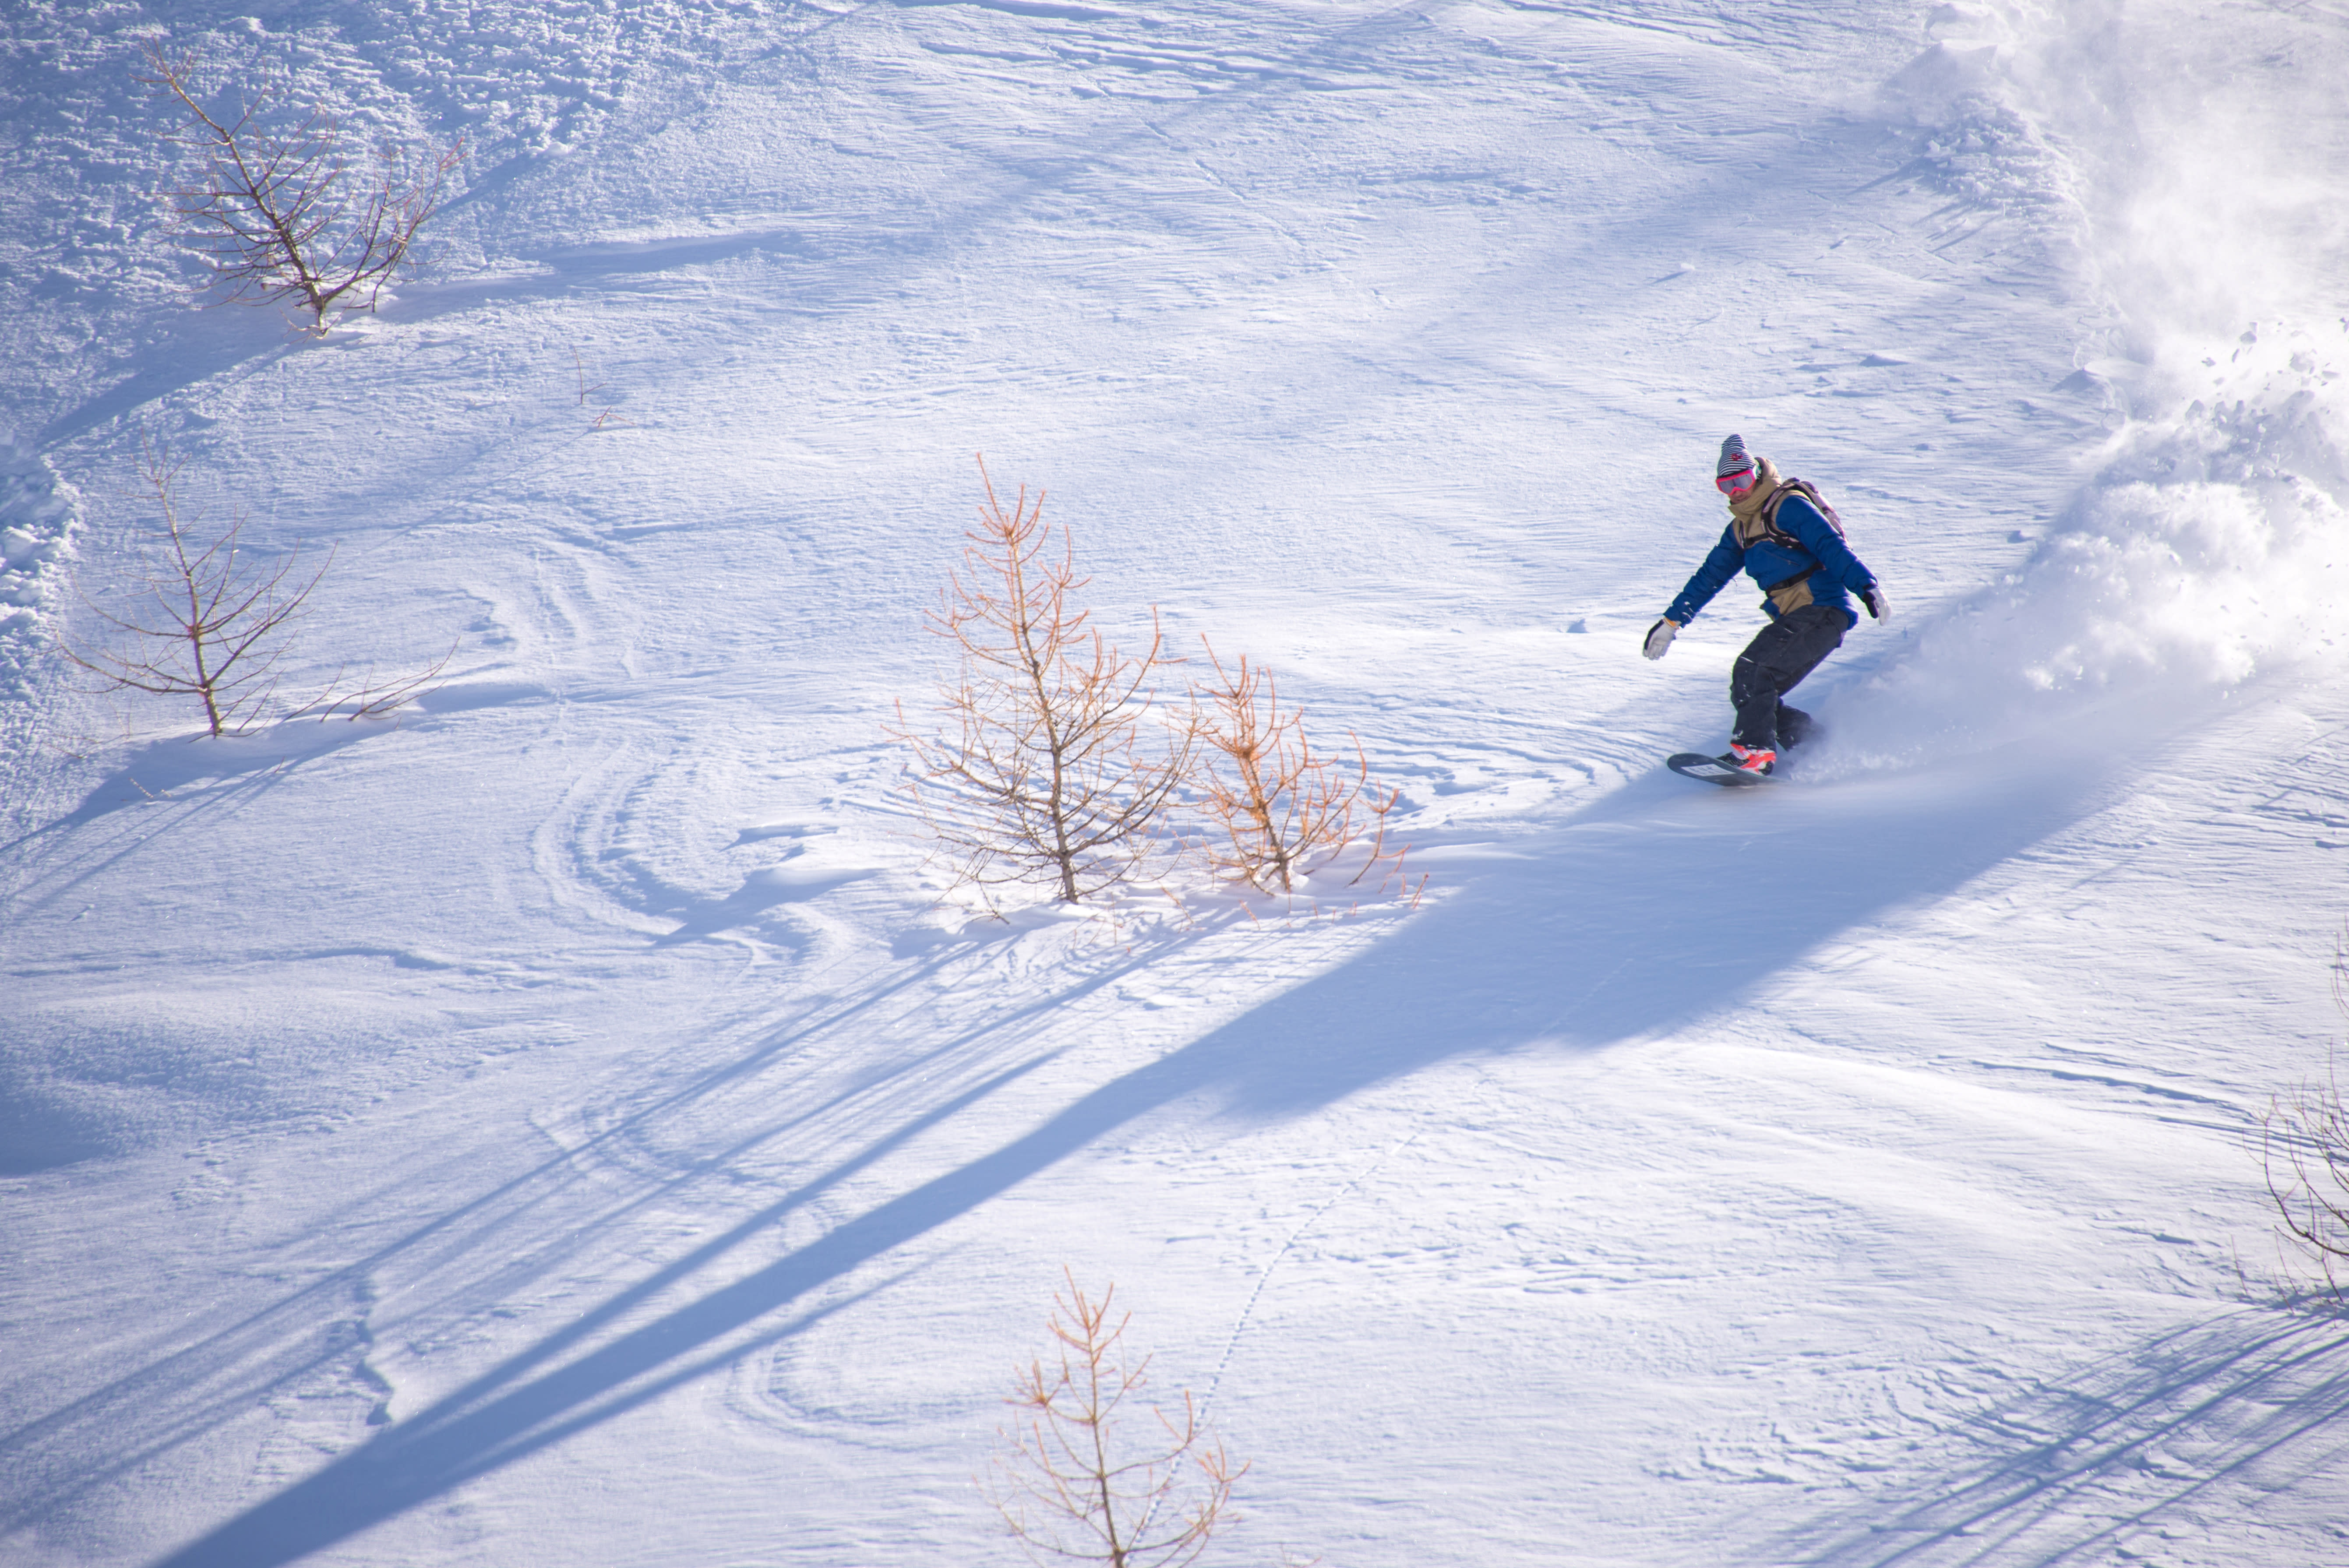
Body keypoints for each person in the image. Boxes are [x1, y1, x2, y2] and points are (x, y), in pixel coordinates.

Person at [1641, 434, 1888, 776]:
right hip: (1799, 616)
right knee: (1749, 686)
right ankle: (1812, 742)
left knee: (1754, 672)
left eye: (1741, 481)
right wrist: (1672, 622)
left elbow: (1830, 546)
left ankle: (1755, 753)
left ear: (1756, 475)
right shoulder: (1741, 529)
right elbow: (1709, 576)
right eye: (1726, 486)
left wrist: (1867, 586)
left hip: (1822, 610)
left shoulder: (1787, 506)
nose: (1737, 492)